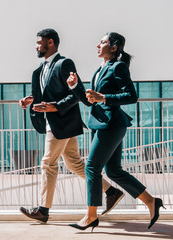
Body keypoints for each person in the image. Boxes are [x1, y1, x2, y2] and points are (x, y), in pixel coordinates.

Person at [19, 28, 124, 224]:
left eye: (39, 42)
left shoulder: (64, 63)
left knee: (48, 164)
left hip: (62, 121)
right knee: (74, 164)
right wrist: (30, 100)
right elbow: (45, 96)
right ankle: (111, 191)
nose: (36, 46)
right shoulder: (40, 70)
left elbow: (76, 95)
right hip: (55, 123)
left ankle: (43, 210)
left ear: (50, 43)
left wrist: (55, 107)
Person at [67, 32, 165, 231]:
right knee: (113, 171)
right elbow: (90, 100)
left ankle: (91, 216)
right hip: (100, 124)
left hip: (111, 125)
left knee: (91, 167)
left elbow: (131, 96)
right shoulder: (100, 69)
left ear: (114, 47)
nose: (97, 45)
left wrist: (103, 97)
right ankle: (151, 201)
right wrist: (76, 87)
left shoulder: (118, 67)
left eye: (102, 42)